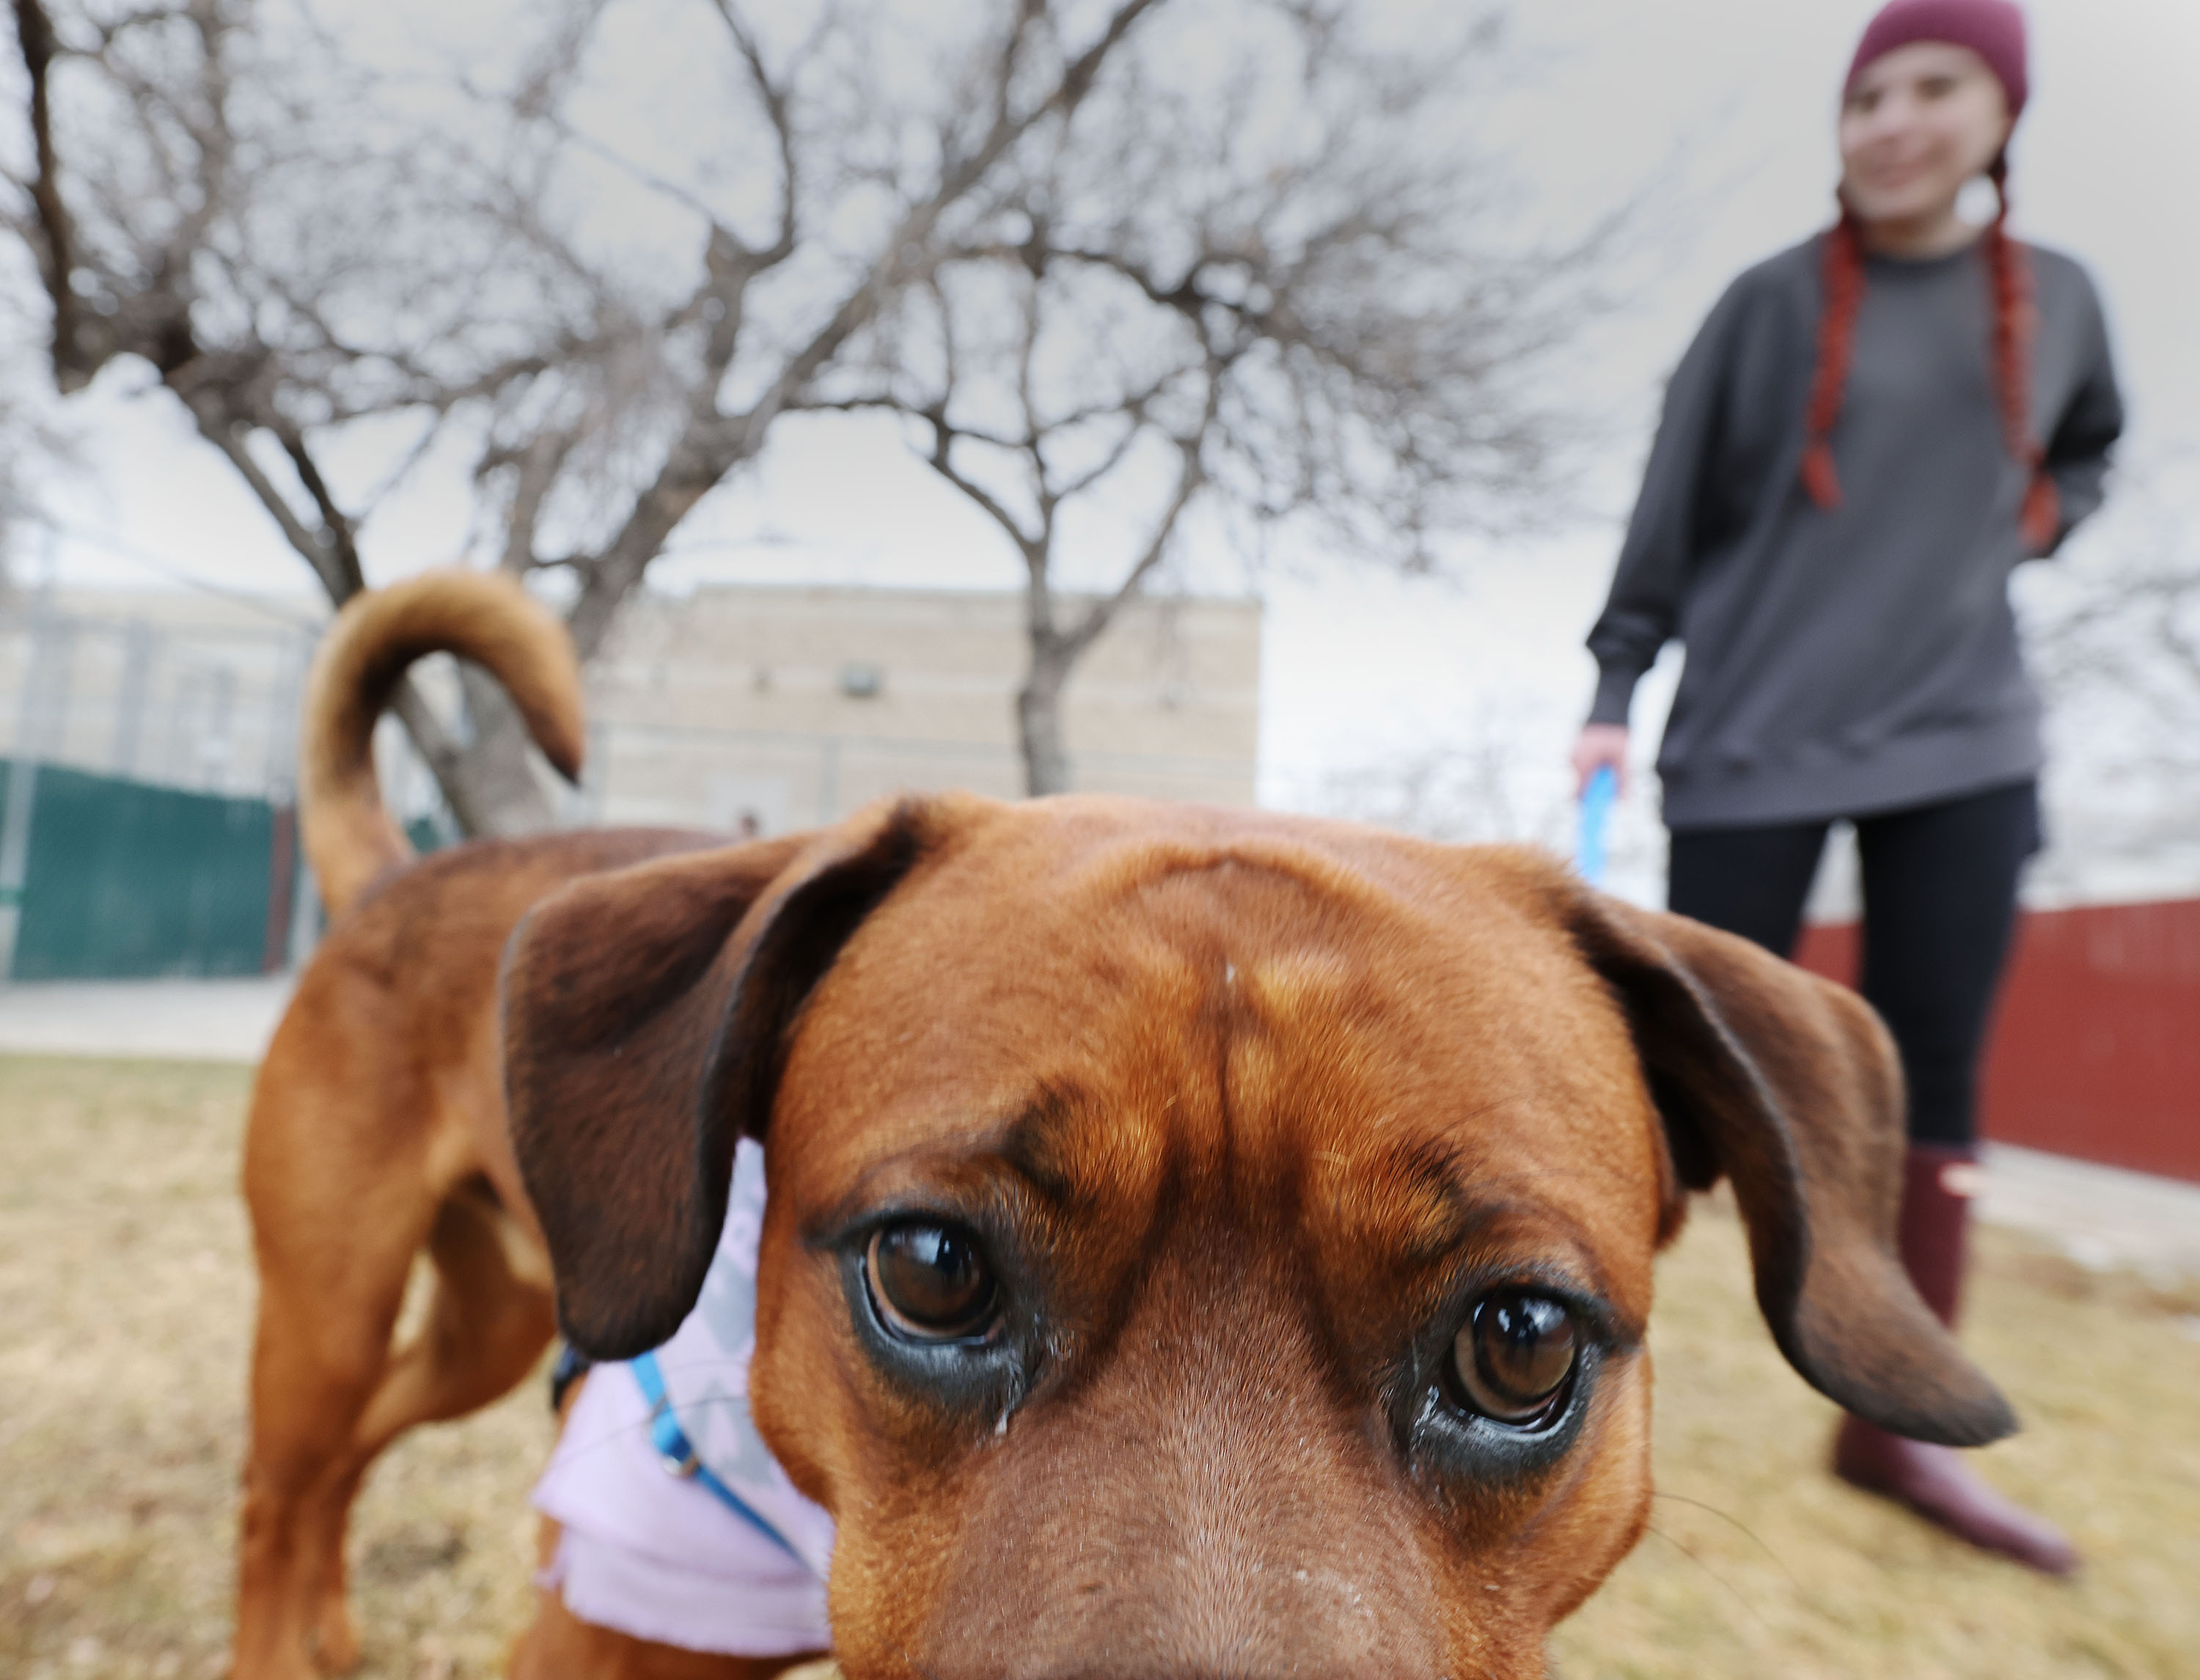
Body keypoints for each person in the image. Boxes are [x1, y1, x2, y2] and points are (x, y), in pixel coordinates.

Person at [1572, 0, 2120, 1576]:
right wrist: (1616, 691)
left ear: (1999, 113)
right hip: (1754, 730)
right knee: (1677, 1068)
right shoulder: (1767, 308)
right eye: (1868, 91)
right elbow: (1663, 520)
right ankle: (1564, 1394)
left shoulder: (2064, 303)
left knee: (1932, 1072)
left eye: (1932, 86)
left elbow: (2089, 449)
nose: (1892, 119)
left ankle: (1897, 1434)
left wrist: (2029, 525)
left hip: (1964, 737)